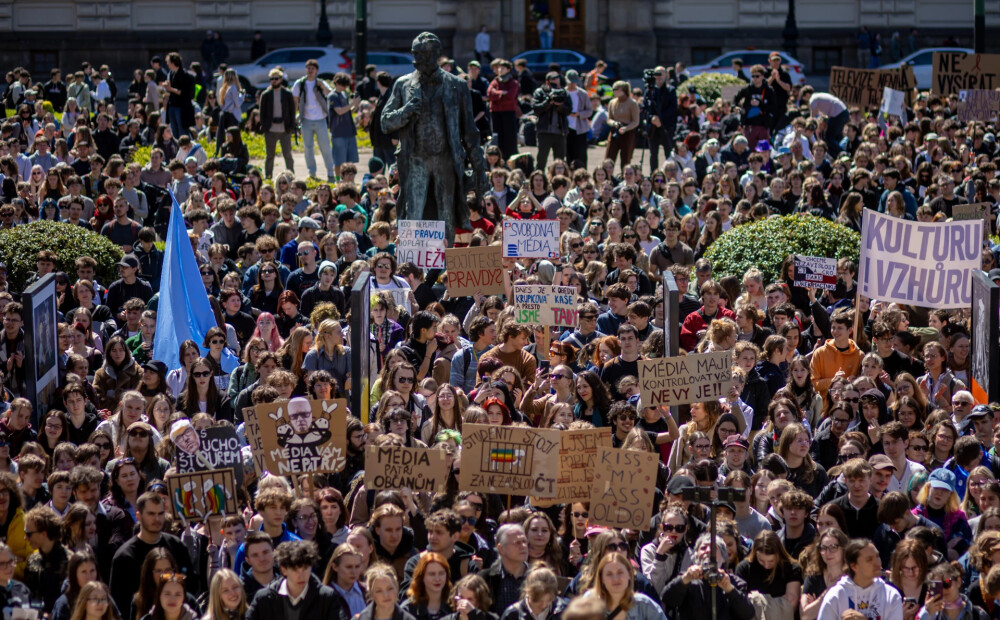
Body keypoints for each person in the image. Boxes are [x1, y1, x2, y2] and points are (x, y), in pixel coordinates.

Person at [245, 540, 350, 620]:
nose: (301, 575)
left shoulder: (327, 597)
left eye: (305, 568)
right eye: (295, 570)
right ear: (284, 570)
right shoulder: (263, 599)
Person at [815, 539, 902, 620]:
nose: (877, 563)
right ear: (854, 566)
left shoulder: (891, 595)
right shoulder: (836, 595)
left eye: (877, 556)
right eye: (869, 559)